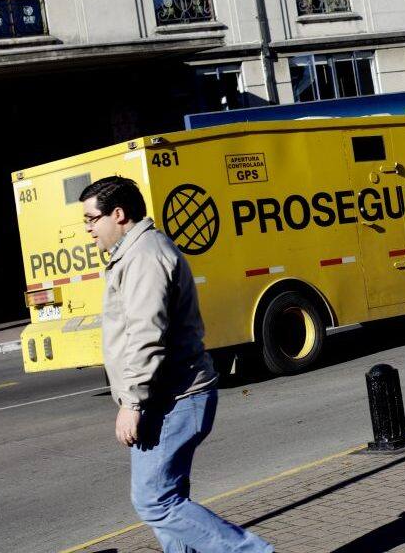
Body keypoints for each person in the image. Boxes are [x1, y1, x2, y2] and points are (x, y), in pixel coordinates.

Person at [79, 176, 273, 553]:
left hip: (171, 399)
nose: (88, 229)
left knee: (155, 501)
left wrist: (132, 403)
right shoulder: (136, 253)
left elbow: (146, 336)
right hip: (169, 397)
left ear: (118, 214)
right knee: (169, 498)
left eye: (91, 219)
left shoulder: (144, 257)